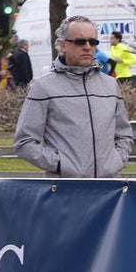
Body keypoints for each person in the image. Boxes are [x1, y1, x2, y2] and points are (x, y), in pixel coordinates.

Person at [14, 16, 132, 177]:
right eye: (80, 42)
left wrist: (116, 161)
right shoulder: (43, 87)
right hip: (65, 192)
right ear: (63, 45)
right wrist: (62, 165)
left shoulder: (110, 85)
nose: (88, 47)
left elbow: (124, 134)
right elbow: (24, 142)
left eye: (93, 42)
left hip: (109, 190)